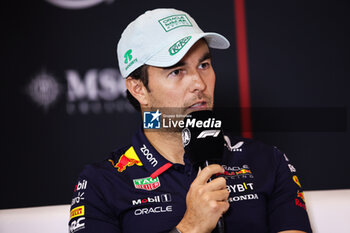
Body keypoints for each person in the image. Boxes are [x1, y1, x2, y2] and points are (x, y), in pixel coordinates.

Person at [69, 8, 312, 233]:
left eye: (204, 65)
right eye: (177, 71)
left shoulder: (267, 161)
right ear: (138, 89)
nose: (199, 83)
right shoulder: (103, 182)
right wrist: (189, 228)